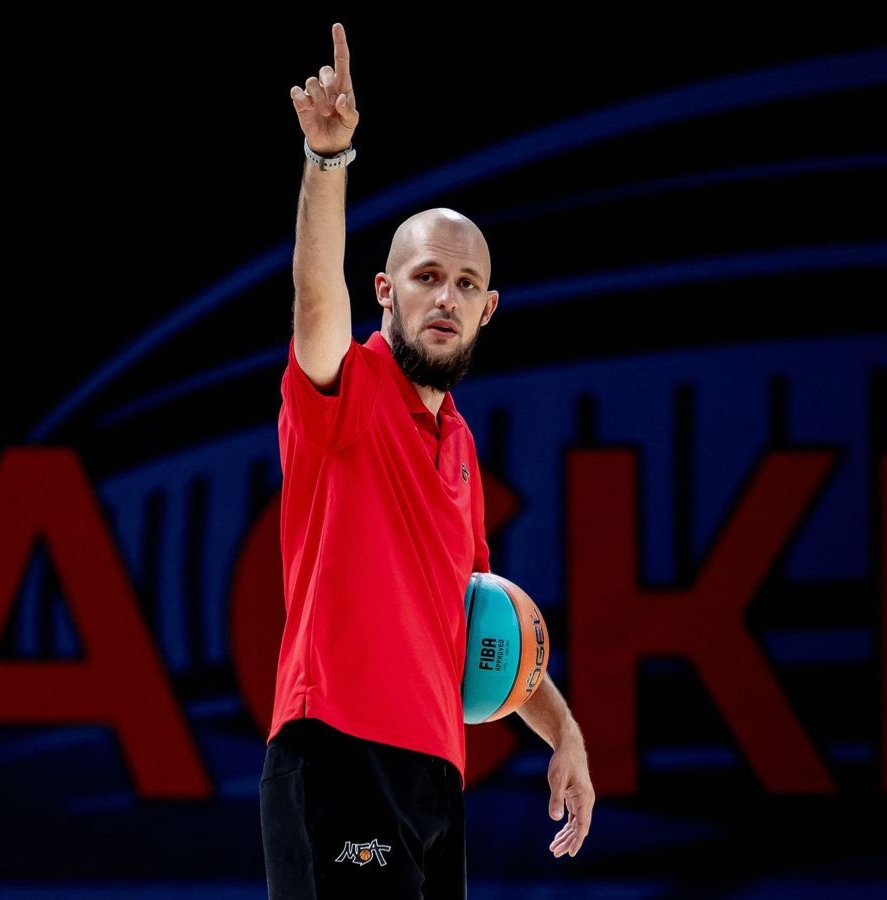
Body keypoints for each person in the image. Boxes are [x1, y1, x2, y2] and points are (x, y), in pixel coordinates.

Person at [259, 22, 594, 898]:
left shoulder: (462, 449)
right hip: (338, 753)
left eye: (465, 284)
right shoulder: (344, 386)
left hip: (435, 777)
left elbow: (479, 620)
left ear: (488, 310)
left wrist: (564, 733)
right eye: (426, 277)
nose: (445, 297)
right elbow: (313, 295)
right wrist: (327, 160)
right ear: (386, 291)